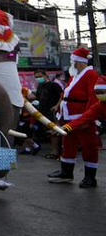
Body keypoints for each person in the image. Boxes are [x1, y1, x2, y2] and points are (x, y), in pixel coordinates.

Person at [48, 47, 99, 186]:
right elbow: (65, 94)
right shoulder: (74, 75)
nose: (71, 64)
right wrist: (59, 111)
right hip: (68, 116)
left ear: (78, 61)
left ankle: (90, 177)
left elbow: (93, 98)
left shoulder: (91, 75)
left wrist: (88, 118)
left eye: (72, 61)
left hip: (82, 117)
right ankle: (66, 172)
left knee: (89, 146)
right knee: (68, 144)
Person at [61, 76, 106, 188]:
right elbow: (84, 118)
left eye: (102, 92)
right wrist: (67, 127)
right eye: (97, 92)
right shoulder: (99, 106)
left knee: (90, 147)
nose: (99, 95)